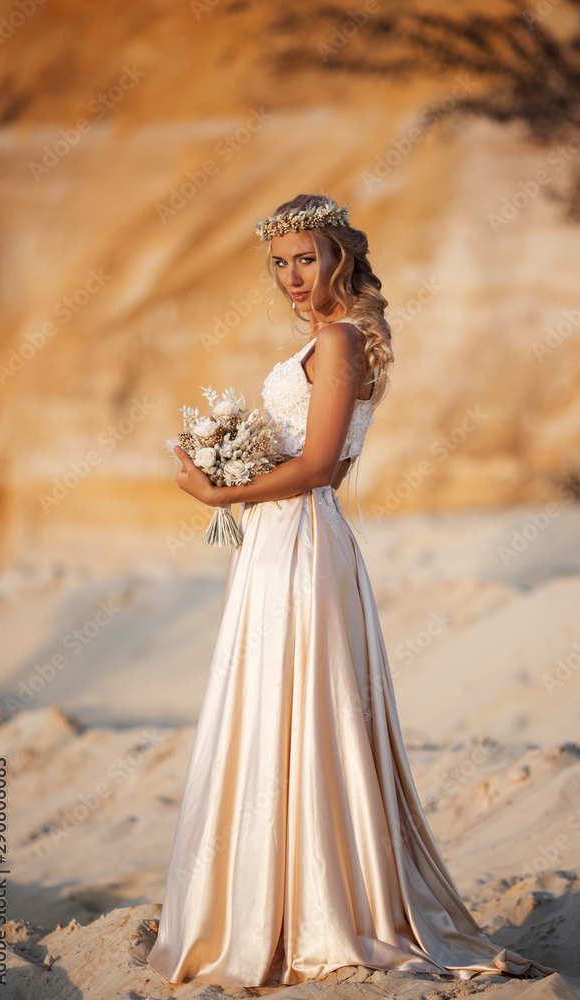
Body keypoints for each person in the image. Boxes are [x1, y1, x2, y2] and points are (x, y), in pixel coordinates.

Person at [146, 194, 556, 988]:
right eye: (278, 263)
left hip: (298, 534)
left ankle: (315, 912)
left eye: (306, 257)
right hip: (282, 535)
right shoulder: (325, 340)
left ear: (339, 255)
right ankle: (281, 902)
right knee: (274, 705)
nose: (291, 276)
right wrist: (241, 473)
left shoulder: (338, 341)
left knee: (299, 706)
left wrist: (219, 493)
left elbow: (321, 466)